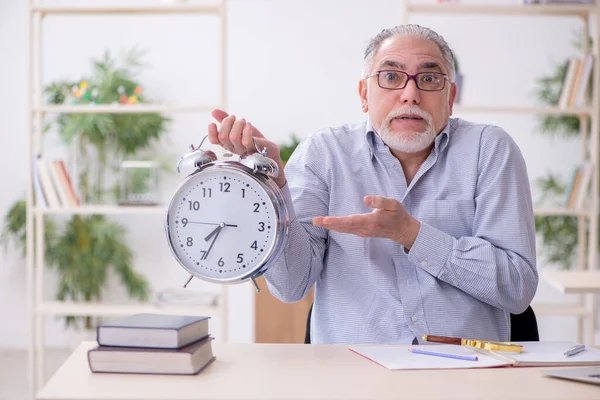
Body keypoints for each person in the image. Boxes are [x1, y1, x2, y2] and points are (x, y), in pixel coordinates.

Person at [207, 24, 539, 344]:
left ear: (450, 96)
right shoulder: (324, 153)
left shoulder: (490, 149)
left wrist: (411, 234)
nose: (410, 94)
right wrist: (273, 188)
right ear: (365, 94)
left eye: (428, 78)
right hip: (352, 374)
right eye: (391, 77)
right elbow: (290, 287)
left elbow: (517, 287)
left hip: (467, 373)